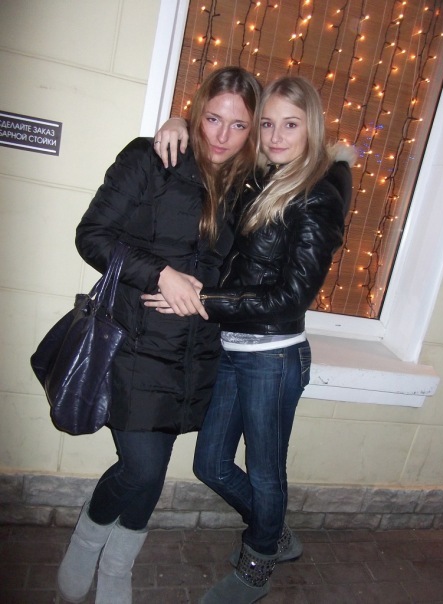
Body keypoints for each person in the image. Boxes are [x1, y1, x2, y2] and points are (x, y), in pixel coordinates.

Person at [56, 66, 261, 604]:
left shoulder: (246, 188)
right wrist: (160, 275)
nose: (221, 136)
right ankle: (88, 541)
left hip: (195, 354)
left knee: (152, 471)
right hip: (134, 343)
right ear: (195, 113)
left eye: (238, 125)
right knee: (141, 468)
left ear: (252, 130)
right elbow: (92, 235)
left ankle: (118, 564)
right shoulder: (153, 158)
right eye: (211, 119)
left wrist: (208, 299)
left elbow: (245, 274)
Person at [148, 75, 355, 603]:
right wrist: (179, 123)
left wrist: (204, 300)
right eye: (267, 124)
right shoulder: (260, 179)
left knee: (265, 472)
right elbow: (215, 151)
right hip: (235, 349)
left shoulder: (316, 197)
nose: (277, 136)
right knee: (211, 464)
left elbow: (290, 297)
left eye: (291, 125)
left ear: (311, 129)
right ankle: (274, 531)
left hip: (274, 358)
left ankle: (258, 565)